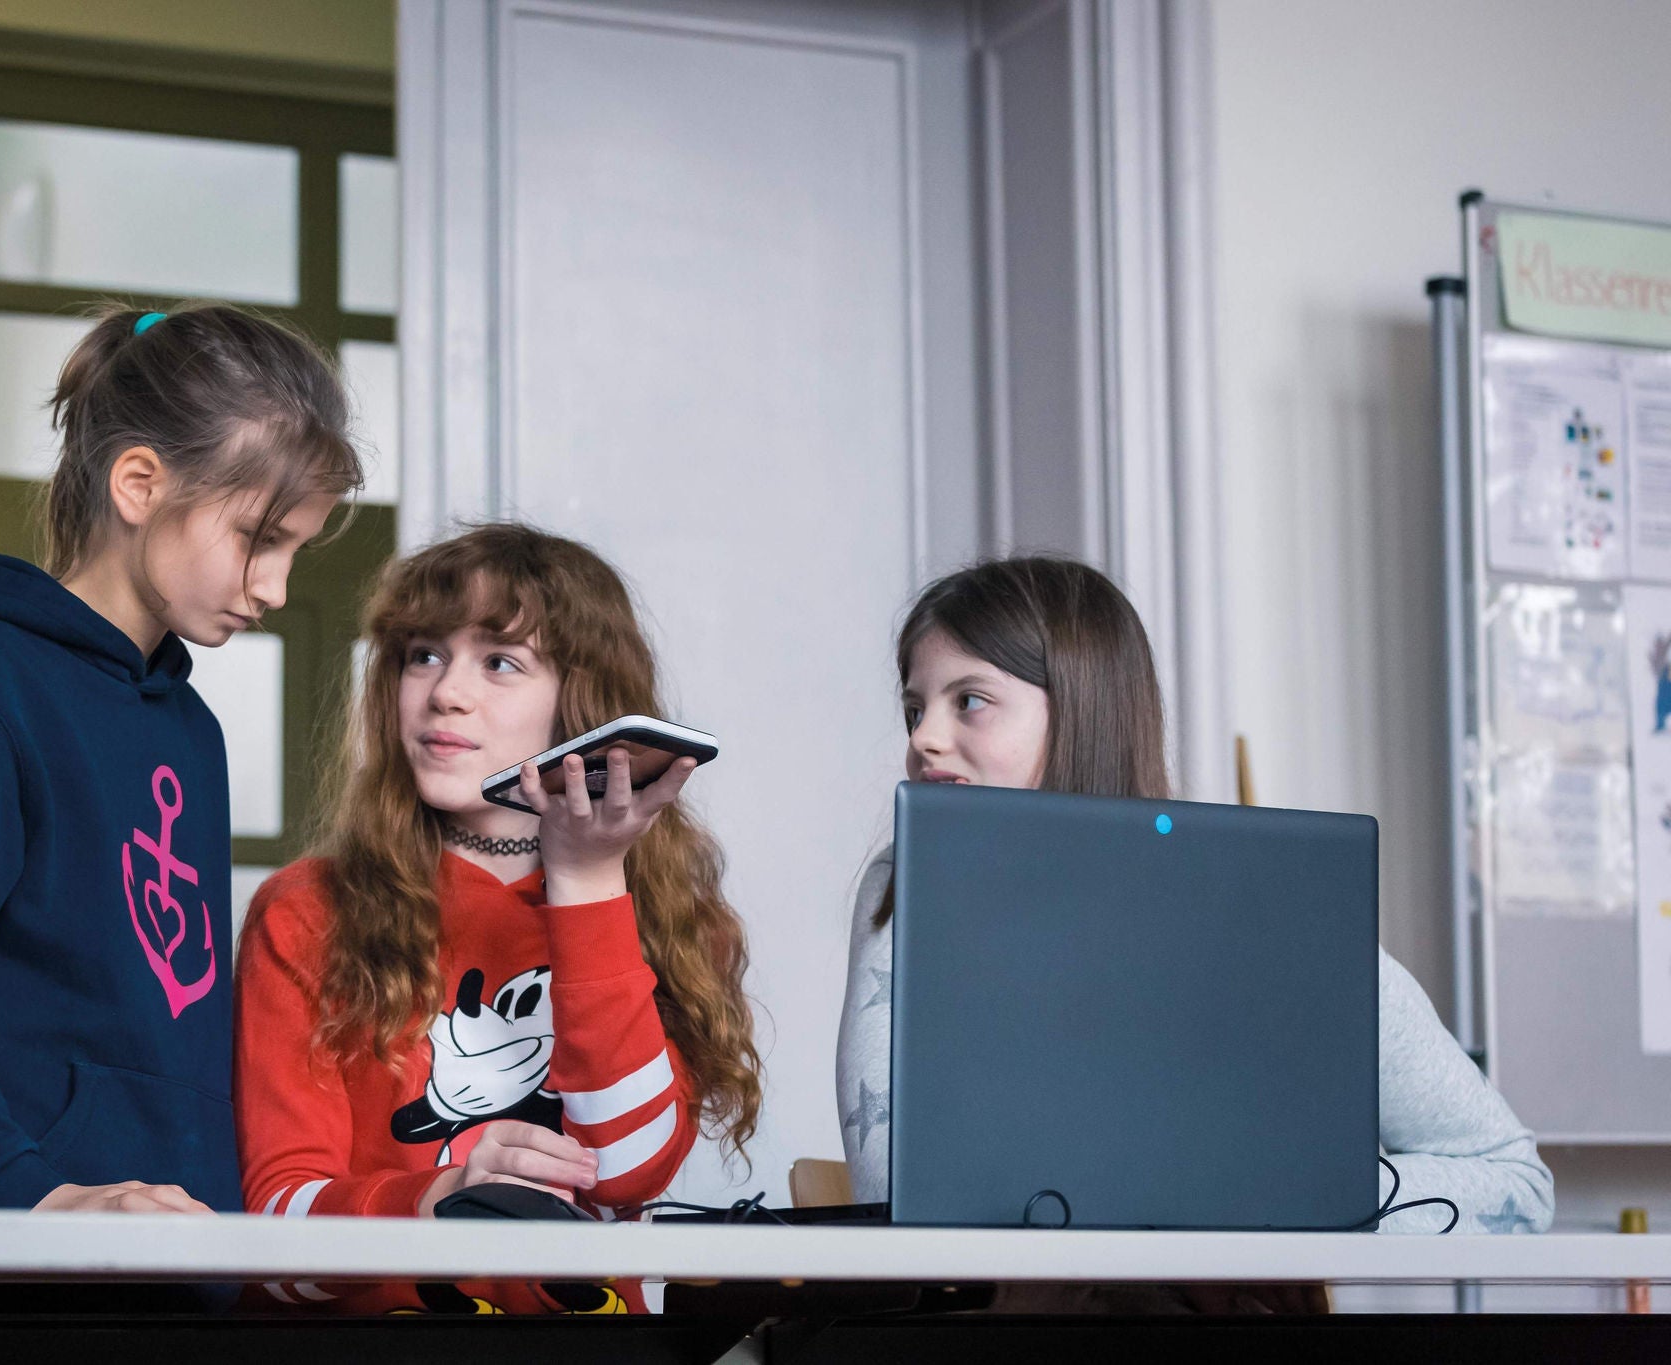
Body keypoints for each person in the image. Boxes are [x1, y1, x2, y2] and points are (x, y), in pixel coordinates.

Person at [0, 303, 361, 1234]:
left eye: (293, 551)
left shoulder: (191, 728)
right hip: (3, 1263)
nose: (276, 589)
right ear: (139, 483)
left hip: (165, 1260)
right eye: (259, 540)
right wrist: (33, 1194)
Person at [836, 556, 1555, 1237]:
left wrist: (1295, 1193)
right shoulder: (906, 886)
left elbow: (1515, 1183)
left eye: (970, 700)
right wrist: (1183, 1190)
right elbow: (896, 1186)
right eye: (913, 709)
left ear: (1083, 709)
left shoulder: (1268, 918)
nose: (924, 737)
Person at [235, 522, 761, 1314]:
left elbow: (625, 1170)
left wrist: (586, 882)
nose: (446, 690)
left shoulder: (670, 918)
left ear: (580, 704)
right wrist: (435, 1194)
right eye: (424, 654)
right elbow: (276, 1243)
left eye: (501, 661)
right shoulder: (307, 909)